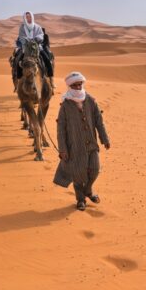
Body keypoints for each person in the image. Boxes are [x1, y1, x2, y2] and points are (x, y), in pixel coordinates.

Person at [53, 72, 110, 211]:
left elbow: (99, 122)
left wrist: (105, 139)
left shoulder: (90, 100)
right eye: (75, 85)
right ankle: (80, 199)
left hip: (91, 143)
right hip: (75, 146)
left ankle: (88, 190)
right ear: (70, 86)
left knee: (95, 170)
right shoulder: (65, 105)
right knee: (78, 174)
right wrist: (63, 149)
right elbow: (61, 129)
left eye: (80, 84)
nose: (78, 87)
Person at [11, 11, 54, 86]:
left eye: (30, 17)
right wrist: (26, 40)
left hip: (37, 46)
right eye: (27, 17)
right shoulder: (22, 28)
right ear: (24, 18)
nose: (29, 18)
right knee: (18, 60)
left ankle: (50, 78)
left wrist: (36, 39)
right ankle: (19, 79)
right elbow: (21, 37)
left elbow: (41, 35)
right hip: (25, 47)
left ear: (32, 17)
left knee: (46, 59)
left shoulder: (37, 27)